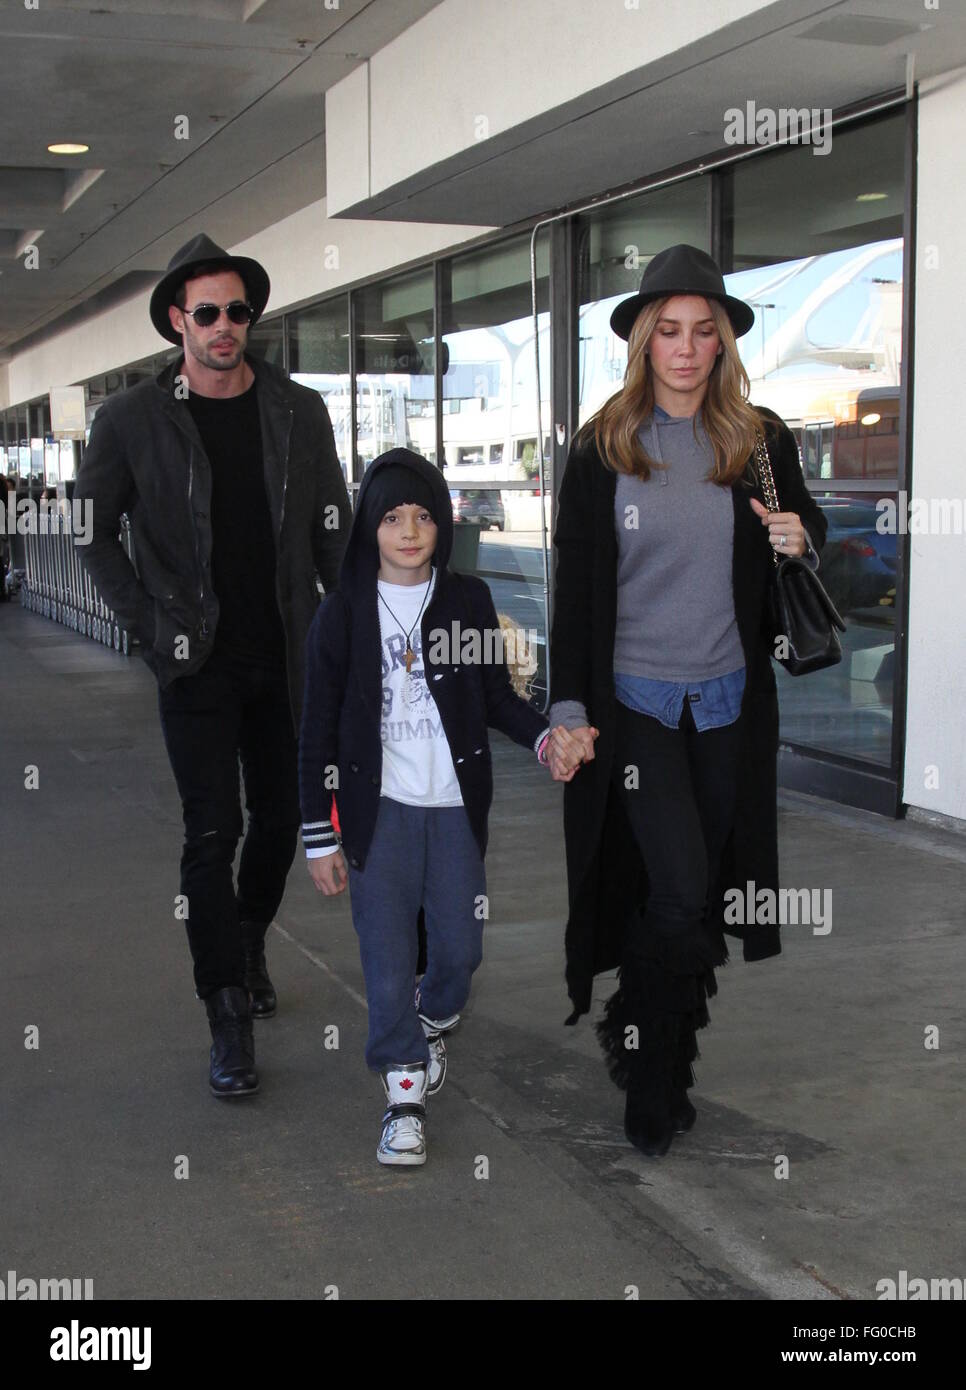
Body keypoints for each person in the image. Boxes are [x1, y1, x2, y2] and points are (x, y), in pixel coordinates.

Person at [544, 244, 827, 1157]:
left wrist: (796, 534)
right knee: (678, 888)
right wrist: (566, 708)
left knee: (702, 902)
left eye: (704, 332)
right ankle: (652, 1083)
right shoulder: (603, 449)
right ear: (642, 341)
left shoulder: (758, 440)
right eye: (668, 330)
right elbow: (575, 590)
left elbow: (805, 533)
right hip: (637, 709)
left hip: (729, 706)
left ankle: (642, 1028)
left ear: (723, 346)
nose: (686, 347)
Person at [73, 233, 351, 1099]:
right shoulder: (128, 420)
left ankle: (246, 935)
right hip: (194, 662)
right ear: (176, 323)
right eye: (208, 313)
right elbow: (90, 534)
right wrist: (153, 630)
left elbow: (333, 527)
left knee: (280, 819)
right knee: (210, 832)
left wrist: (355, 627)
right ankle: (226, 1012)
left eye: (238, 311)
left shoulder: (299, 411)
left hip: (286, 653)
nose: (226, 326)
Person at [298, 447, 560, 1166]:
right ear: (369, 529)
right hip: (377, 812)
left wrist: (544, 742)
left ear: (442, 523)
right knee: (385, 959)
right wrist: (319, 834)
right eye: (392, 518)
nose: (409, 531)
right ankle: (404, 1097)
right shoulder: (343, 611)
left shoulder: (466, 601)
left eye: (423, 516)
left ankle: (432, 1015)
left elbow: (498, 698)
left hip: (451, 809)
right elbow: (316, 729)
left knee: (458, 950)